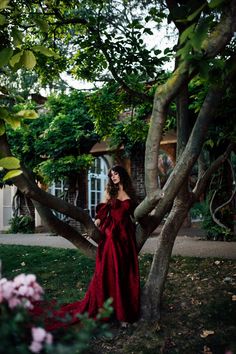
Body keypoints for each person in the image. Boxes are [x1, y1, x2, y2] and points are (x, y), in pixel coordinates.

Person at [44, 165, 140, 331]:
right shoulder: (110, 191)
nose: (114, 177)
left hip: (127, 236)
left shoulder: (131, 192)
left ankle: (125, 311)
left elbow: (134, 213)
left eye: (116, 173)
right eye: (111, 175)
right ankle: (117, 315)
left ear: (122, 174)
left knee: (125, 272)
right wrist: (97, 221)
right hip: (112, 234)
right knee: (111, 271)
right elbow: (102, 211)